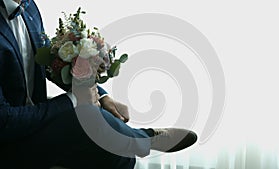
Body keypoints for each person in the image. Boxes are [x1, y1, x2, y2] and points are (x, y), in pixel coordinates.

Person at [0, 0, 197, 169]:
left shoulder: (28, 6)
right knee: (83, 117)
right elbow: (4, 122)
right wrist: (74, 101)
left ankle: (137, 141)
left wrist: (101, 97)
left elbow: (50, 65)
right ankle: (146, 138)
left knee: (118, 152)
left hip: (37, 127)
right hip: (10, 144)